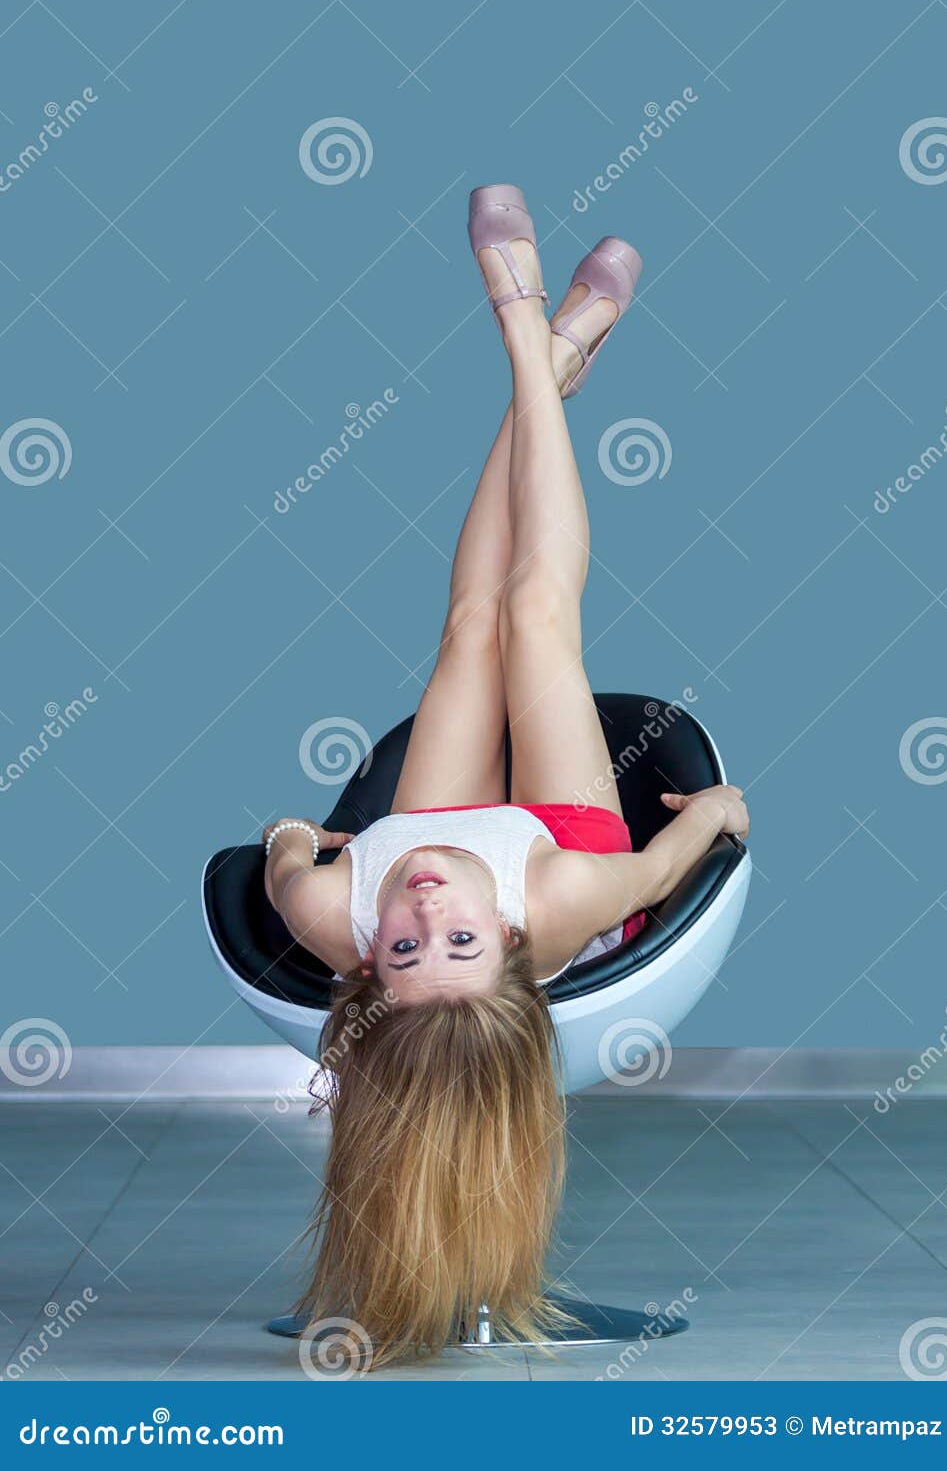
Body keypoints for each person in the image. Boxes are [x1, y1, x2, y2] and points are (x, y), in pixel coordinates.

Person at [263, 185, 749, 1364]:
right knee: (534, 612)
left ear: (364, 962)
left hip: (436, 818)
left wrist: (302, 844)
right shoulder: (558, 906)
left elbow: (280, 848)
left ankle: (555, 351)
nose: (426, 913)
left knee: (468, 618)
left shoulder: (342, 907)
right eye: (458, 945)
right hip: (550, 840)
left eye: (404, 947)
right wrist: (720, 814)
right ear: (509, 953)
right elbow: (657, 859)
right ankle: (531, 325)